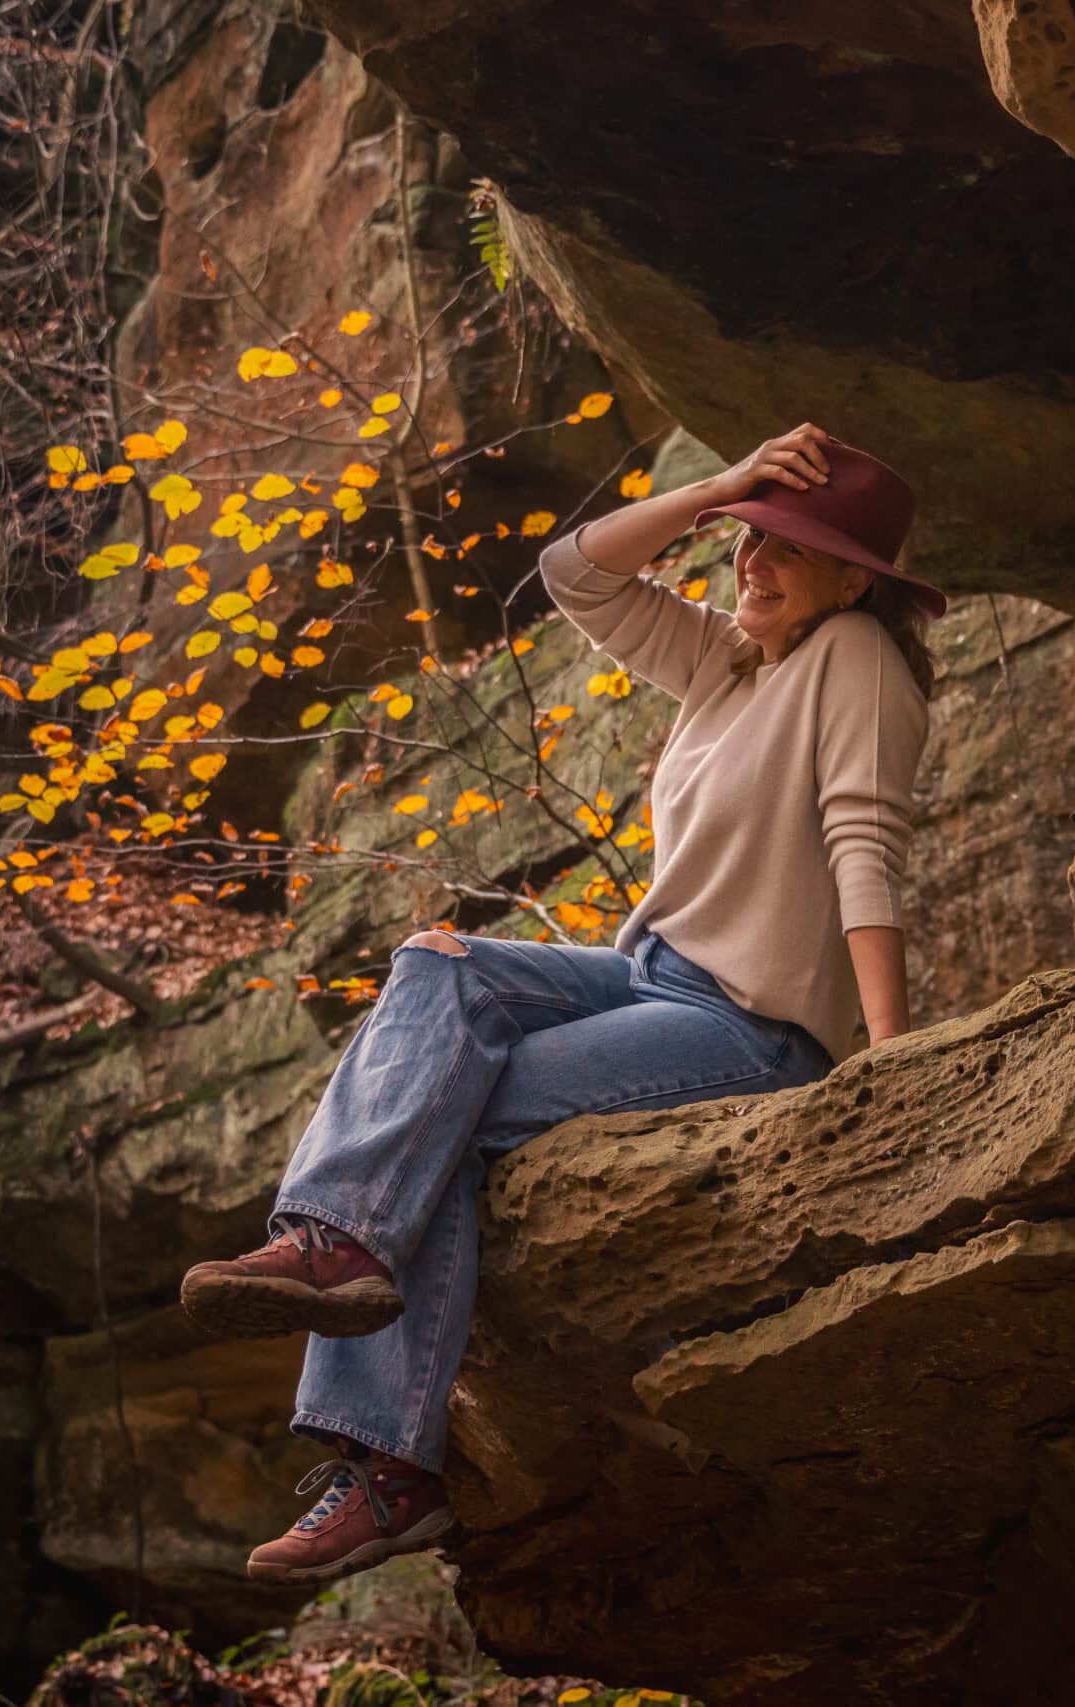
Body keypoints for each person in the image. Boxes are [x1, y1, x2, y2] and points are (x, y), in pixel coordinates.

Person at [179, 421, 943, 1585]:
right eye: (748, 541)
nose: (753, 561)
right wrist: (721, 489)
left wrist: (888, 1059)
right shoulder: (729, 665)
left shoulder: (856, 664)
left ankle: (390, 1471)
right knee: (439, 963)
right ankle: (332, 1240)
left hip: (751, 1029)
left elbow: (862, 847)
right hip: (653, 976)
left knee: (463, 1110)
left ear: (854, 582)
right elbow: (574, 575)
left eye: (786, 547)